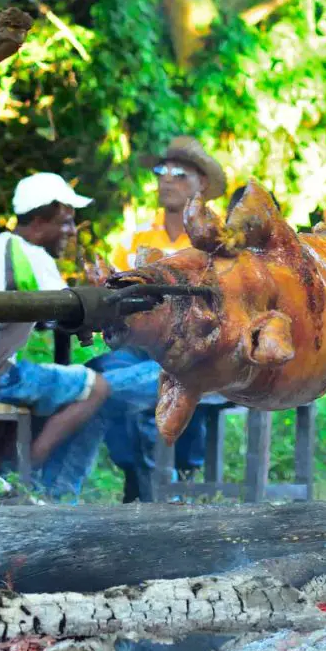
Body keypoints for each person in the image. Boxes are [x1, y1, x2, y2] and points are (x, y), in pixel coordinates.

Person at [0, 172, 111, 499]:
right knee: (98, 388)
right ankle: (30, 474)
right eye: (64, 223)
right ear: (37, 222)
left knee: (35, 381)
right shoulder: (28, 256)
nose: (72, 232)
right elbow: (68, 314)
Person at [88, 136, 226, 500]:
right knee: (99, 373)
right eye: (161, 171)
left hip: (197, 344)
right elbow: (112, 289)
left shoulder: (218, 239)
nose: (168, 179)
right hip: (141, 346)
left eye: (181, 173)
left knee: (177, 372)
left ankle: (177, 476)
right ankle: (139, 475)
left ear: (204, 186)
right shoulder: (136, 237)